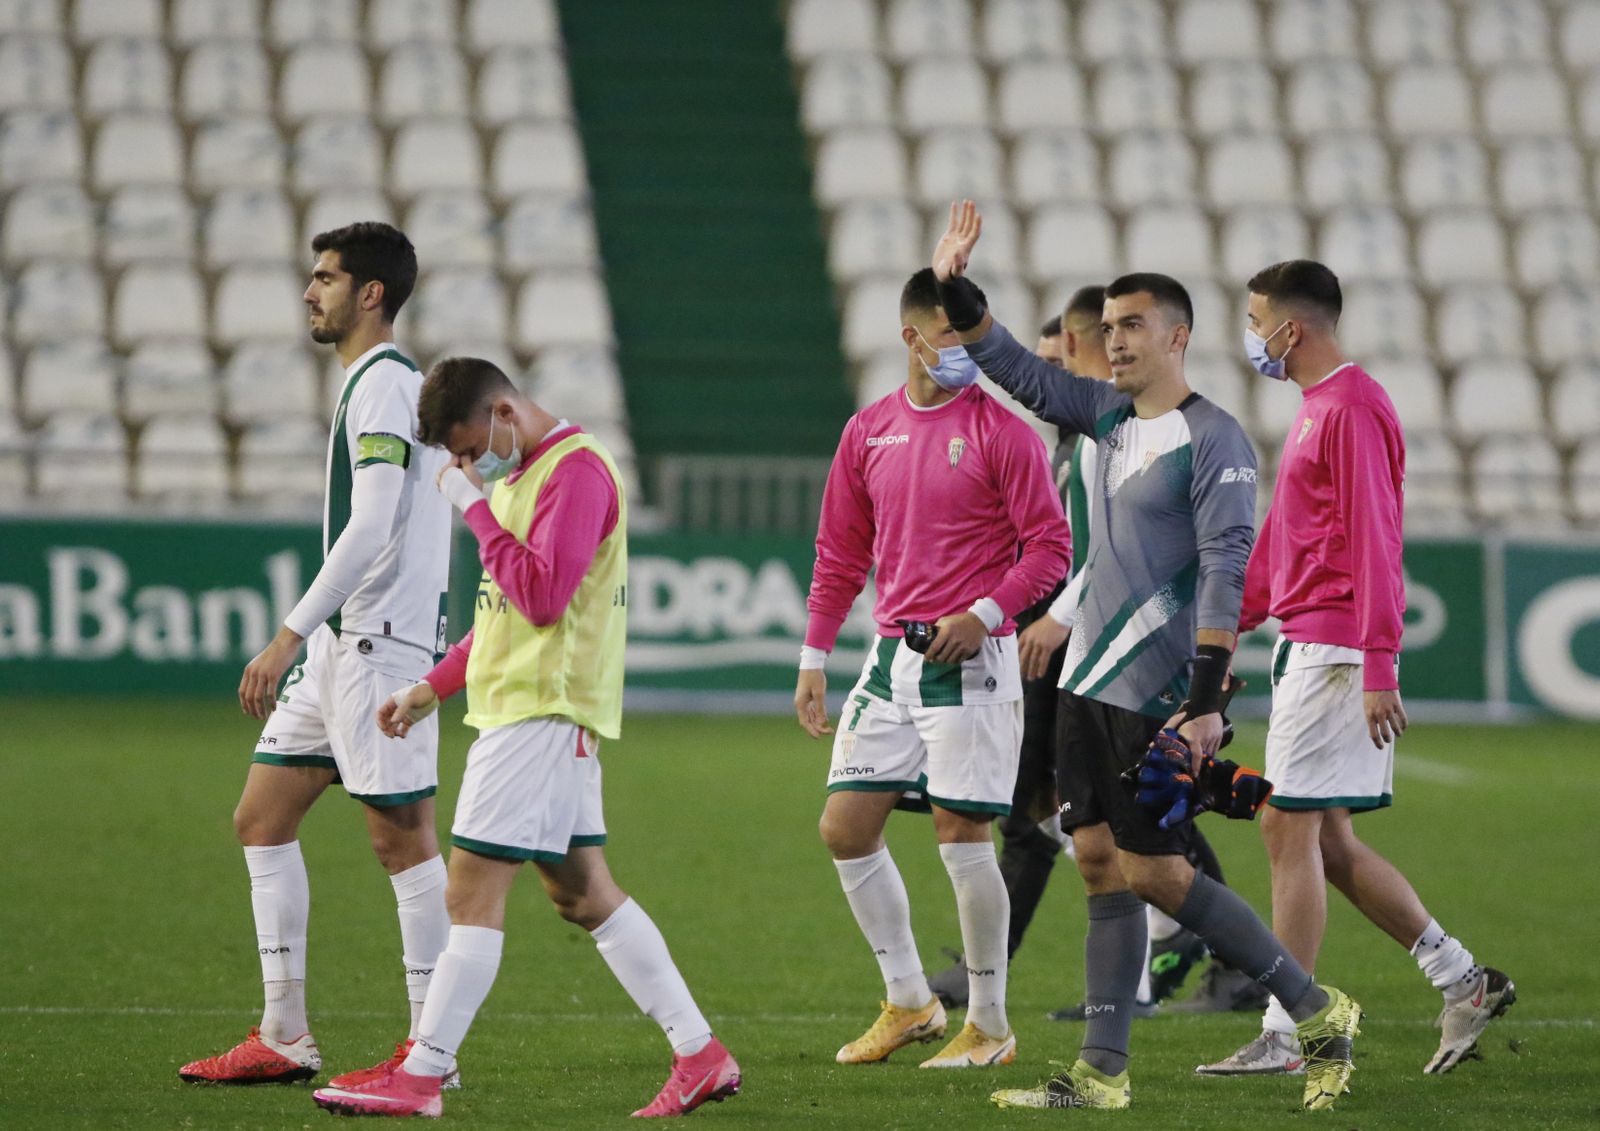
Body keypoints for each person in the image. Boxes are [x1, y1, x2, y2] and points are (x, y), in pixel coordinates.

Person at [929, 201, 1361, 1113]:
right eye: (1109, 326)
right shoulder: (1105, 417)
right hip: (1084, 681)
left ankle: (1317, 1012)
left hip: (1157, 688)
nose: (1114, 341)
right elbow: (1010, 366)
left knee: (1161, 871)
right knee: (1096, 862)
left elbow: (1224, 570)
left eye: (1132, 326)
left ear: (1178, 336)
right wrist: (955, 287)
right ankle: (1101, 1072)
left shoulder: (1216, 442)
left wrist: (1203, 700)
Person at [309, 358, 738, 1119]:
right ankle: (700, 1053)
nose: (470, 466)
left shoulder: (575, 472)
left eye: (473, 449)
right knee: (582, 892)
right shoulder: (519, 478)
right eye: (462, 459)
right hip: (529, 709)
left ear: (505, 410)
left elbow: (541, 599)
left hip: (541, 712)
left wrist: (471, 507)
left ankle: (425, 1071)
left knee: (469, 888)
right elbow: (502, 612)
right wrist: (430, 686)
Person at [1197, 259, 1514, 1079]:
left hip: (1338, 648)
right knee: (1326, 838)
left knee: (1285, 824)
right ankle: (1462, 979)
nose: (1252, 334)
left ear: (1290, 329)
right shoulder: (1318, 408)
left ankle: (1287, 1029)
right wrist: (1230, 633)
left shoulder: (1354, 406)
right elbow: (1286, 538)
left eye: (1255, 317)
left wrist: (1378, 657)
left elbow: (1375, 535)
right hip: (1312, 641)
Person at [180, 223, 455, 1089]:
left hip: (378, 647)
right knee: (262, 817)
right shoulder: (375, 385)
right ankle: (285, 1033)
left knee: (403, 841)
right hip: (347, 645)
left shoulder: (384, 384)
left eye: (326, 277)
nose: (311, 290)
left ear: (370, 293)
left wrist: (289, 631)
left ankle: (430, 1055)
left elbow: (372, 523)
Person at [795, 268, 1072, 1070]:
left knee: (962, 834)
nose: (967, 353)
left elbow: (1050, 546)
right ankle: (912, 1001)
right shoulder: (868, 429)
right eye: (952, 338)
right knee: (845, 827)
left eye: (972, 337)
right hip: (891, 659)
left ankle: (988, 1021)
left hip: (973, 662)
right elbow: (840, 552)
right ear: (911, 338)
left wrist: (985, 613)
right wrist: (815, 655)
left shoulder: (1004, 432)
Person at [926, 313, 1079, 1010]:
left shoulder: (1106, 443)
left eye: (1051, 362)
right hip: (1045, 645)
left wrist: (1051, 617)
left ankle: (1216, 950)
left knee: (1123, 828)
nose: (1036, 381)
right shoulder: (1063, 447)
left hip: (1079, 649)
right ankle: (986, 970)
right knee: (1039, 813)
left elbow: (1096, 553)